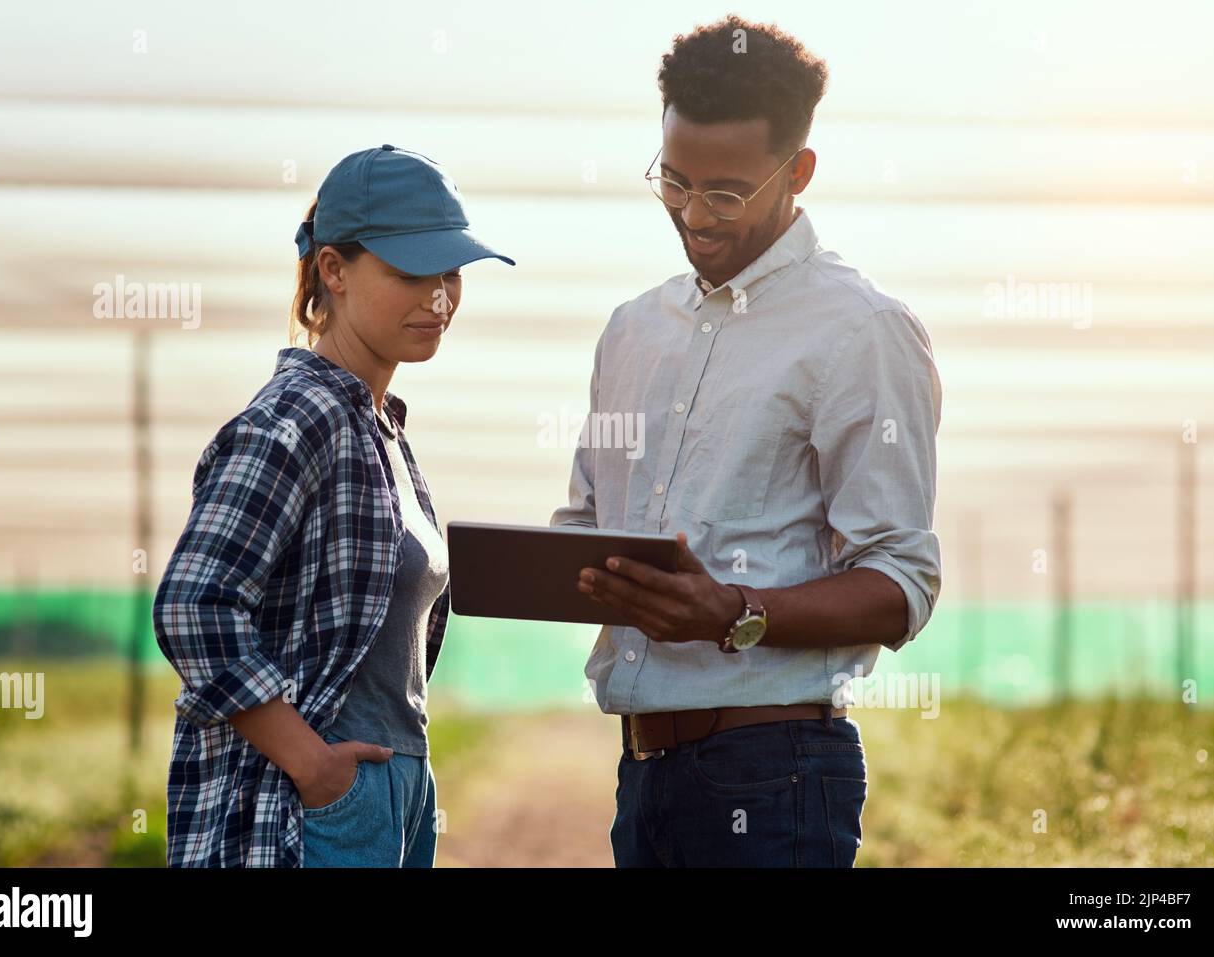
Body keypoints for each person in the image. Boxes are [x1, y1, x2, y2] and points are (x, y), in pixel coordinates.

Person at [551, 16, 942, 867]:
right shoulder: (631, 332)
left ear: (798, 171)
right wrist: (555, 568)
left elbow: (901, 583)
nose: (693, 214)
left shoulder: (860, 331)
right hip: (644, 771)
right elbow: (586, 521)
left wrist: (734, 613)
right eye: (674, 181)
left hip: (775, 779)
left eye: (724, 192)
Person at [153, 144, 513, 867]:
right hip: (313, 805)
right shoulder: (297, 417)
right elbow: (193, 604)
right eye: (412, 272)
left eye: (451, 273)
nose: (439, 297)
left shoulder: (380, 427)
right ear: (334, 269)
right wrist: (316, 769)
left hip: (395, 785)